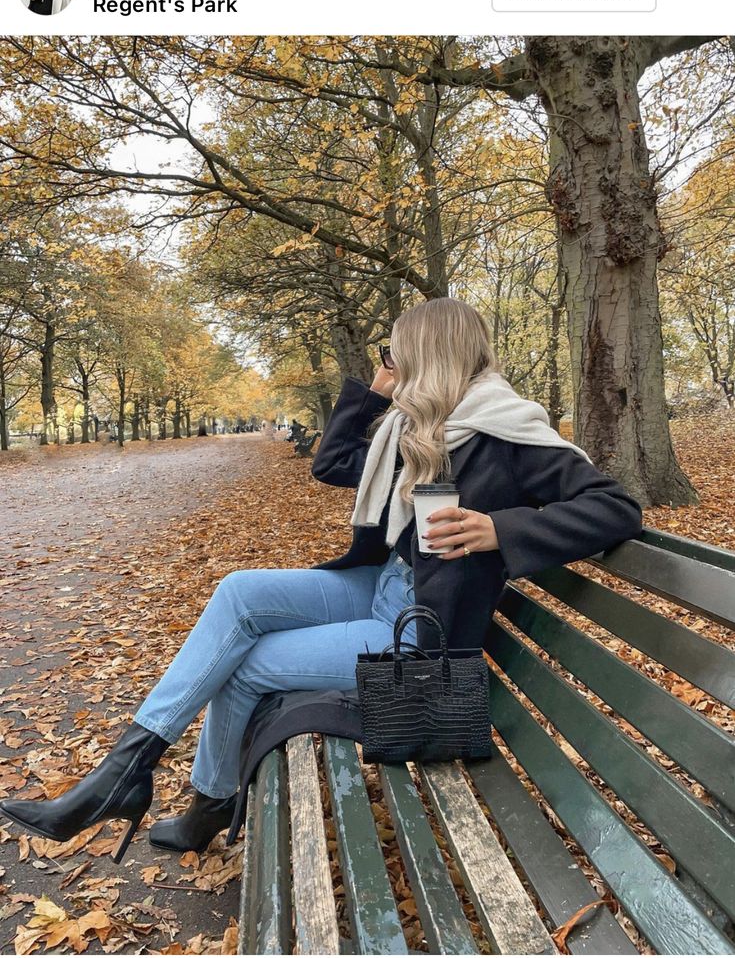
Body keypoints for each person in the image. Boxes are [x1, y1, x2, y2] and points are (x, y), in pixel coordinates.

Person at [0, 298, 643, 862]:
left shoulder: (505, 430)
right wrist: (374, 388)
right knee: (239, 592)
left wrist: (500, 530)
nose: (390, 361)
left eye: (397, 351)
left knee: (247, 664)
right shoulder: (414, 428)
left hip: (420, 630)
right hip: (382, 587)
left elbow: (615, 507)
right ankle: (127, 768)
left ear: (431, 352)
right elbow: (331, 463)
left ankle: (204, 804)